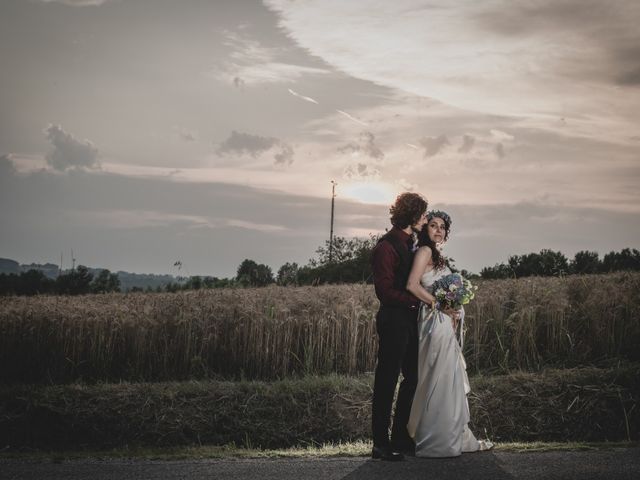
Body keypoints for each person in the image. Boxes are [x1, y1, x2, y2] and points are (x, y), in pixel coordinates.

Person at [405, 210, 493, 457]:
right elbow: (412, 285)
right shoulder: (423, 252)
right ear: (425, 229)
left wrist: (454, 306)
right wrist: (441, 305)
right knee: (437, 375)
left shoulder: (437, 255)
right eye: (433, 225)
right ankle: (435, 439)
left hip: (444, 320)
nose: (438, 230)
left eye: (442, 227)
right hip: (433, 320)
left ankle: (451, 433)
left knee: (448, 375)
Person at [370, 192, 428, 461]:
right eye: (423, 214)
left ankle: (400, 438)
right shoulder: (386, 246)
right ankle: (380, 444)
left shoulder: (410, 243)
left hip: (409, 321)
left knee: (413, 377)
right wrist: (415, 302)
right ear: (413, 215)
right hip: (393, 320)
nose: (426, 219)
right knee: (387, 381)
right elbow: (384, 291)